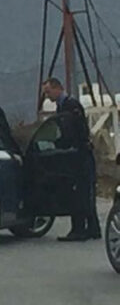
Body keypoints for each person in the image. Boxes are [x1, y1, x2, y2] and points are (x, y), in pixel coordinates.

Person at [42, 77, 101, 241]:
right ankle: (93, 228)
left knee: (79, 192)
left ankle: (79, 230)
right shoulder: (63, 106)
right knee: (84, 191)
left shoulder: (70, 106)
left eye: (48, 92)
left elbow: (74, 132)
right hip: (77, 154)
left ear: (56, 88)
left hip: (79, 155)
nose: (47, 96)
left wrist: (59, 143)